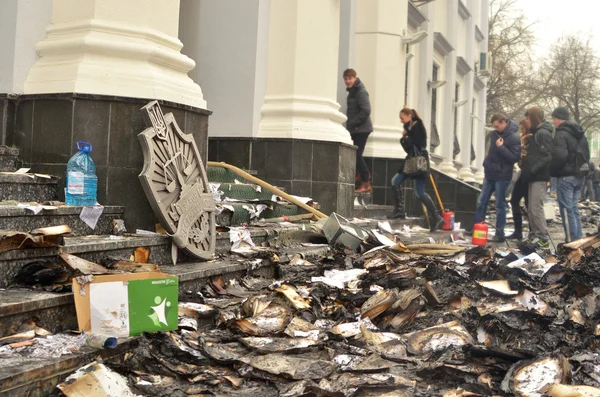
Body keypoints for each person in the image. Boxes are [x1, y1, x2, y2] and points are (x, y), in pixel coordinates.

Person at [388, 107, 444, 231]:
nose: (401, 121)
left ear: (409, 116)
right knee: (399, 183)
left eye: (402, 118)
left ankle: (436, 217)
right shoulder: (409, 128)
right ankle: (436, 217)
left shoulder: (417, 126)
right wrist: (404, 139)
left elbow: (418, 144)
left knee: (417, 192)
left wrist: (406, 138)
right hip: (414, 162)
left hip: (418, 162)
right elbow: (408, 148)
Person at [474, 114, 521, 242]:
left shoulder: (514, 137)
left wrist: (502, 148)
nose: (496, 129)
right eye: (494, 126)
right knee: (481, 202)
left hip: (502, 175)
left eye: (497, 126)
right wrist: (487, 163)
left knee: (500, 205)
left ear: (504, 122)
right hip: (490, 173)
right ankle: (478, 229)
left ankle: (499, 234)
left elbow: (515, 158)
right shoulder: (495, 133)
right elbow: (491, 152)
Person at [550, 106, 590, 242]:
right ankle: (577, 238)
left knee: (567, 210)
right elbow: (587, 154)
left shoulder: (561, 133)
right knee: (573, 208)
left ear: (558, 119)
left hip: (566, 176)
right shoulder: (580, 133)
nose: (553, 122)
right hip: (579, 175)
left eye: (554, 119)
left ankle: (570, 240)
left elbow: (559, 156)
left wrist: (553, 171)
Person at [520, 107, 553, 247]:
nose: (526, 121)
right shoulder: (537, 133)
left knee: (536, 207)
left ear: (533, 118)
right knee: (532, 208)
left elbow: (546, 156)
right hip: (533, 176)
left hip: (539, 176)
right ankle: (534, 235)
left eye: (528, 118)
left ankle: (542, 237)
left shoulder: (543, 133)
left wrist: (533, 169)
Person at [343, 69, 373, 193]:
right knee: (356, 155)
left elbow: (366, 110)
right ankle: (361, 177)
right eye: (346, 79)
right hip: (356, 129)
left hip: (361, 129)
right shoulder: (353, 92)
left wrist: (352, 123)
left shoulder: (361, 91)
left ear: (355, 78)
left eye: (350, 78)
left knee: (357, 155)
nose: (348, 81)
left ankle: (366, 183)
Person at [507, 120, 531, 240]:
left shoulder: (528, 139)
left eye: (522, 129)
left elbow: (523, 156)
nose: (521, 132)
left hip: (526, 173)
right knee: (519, 201)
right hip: (524, 173)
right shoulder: (524, 139)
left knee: (522, 201)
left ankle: (522, 231)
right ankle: (520, 231)